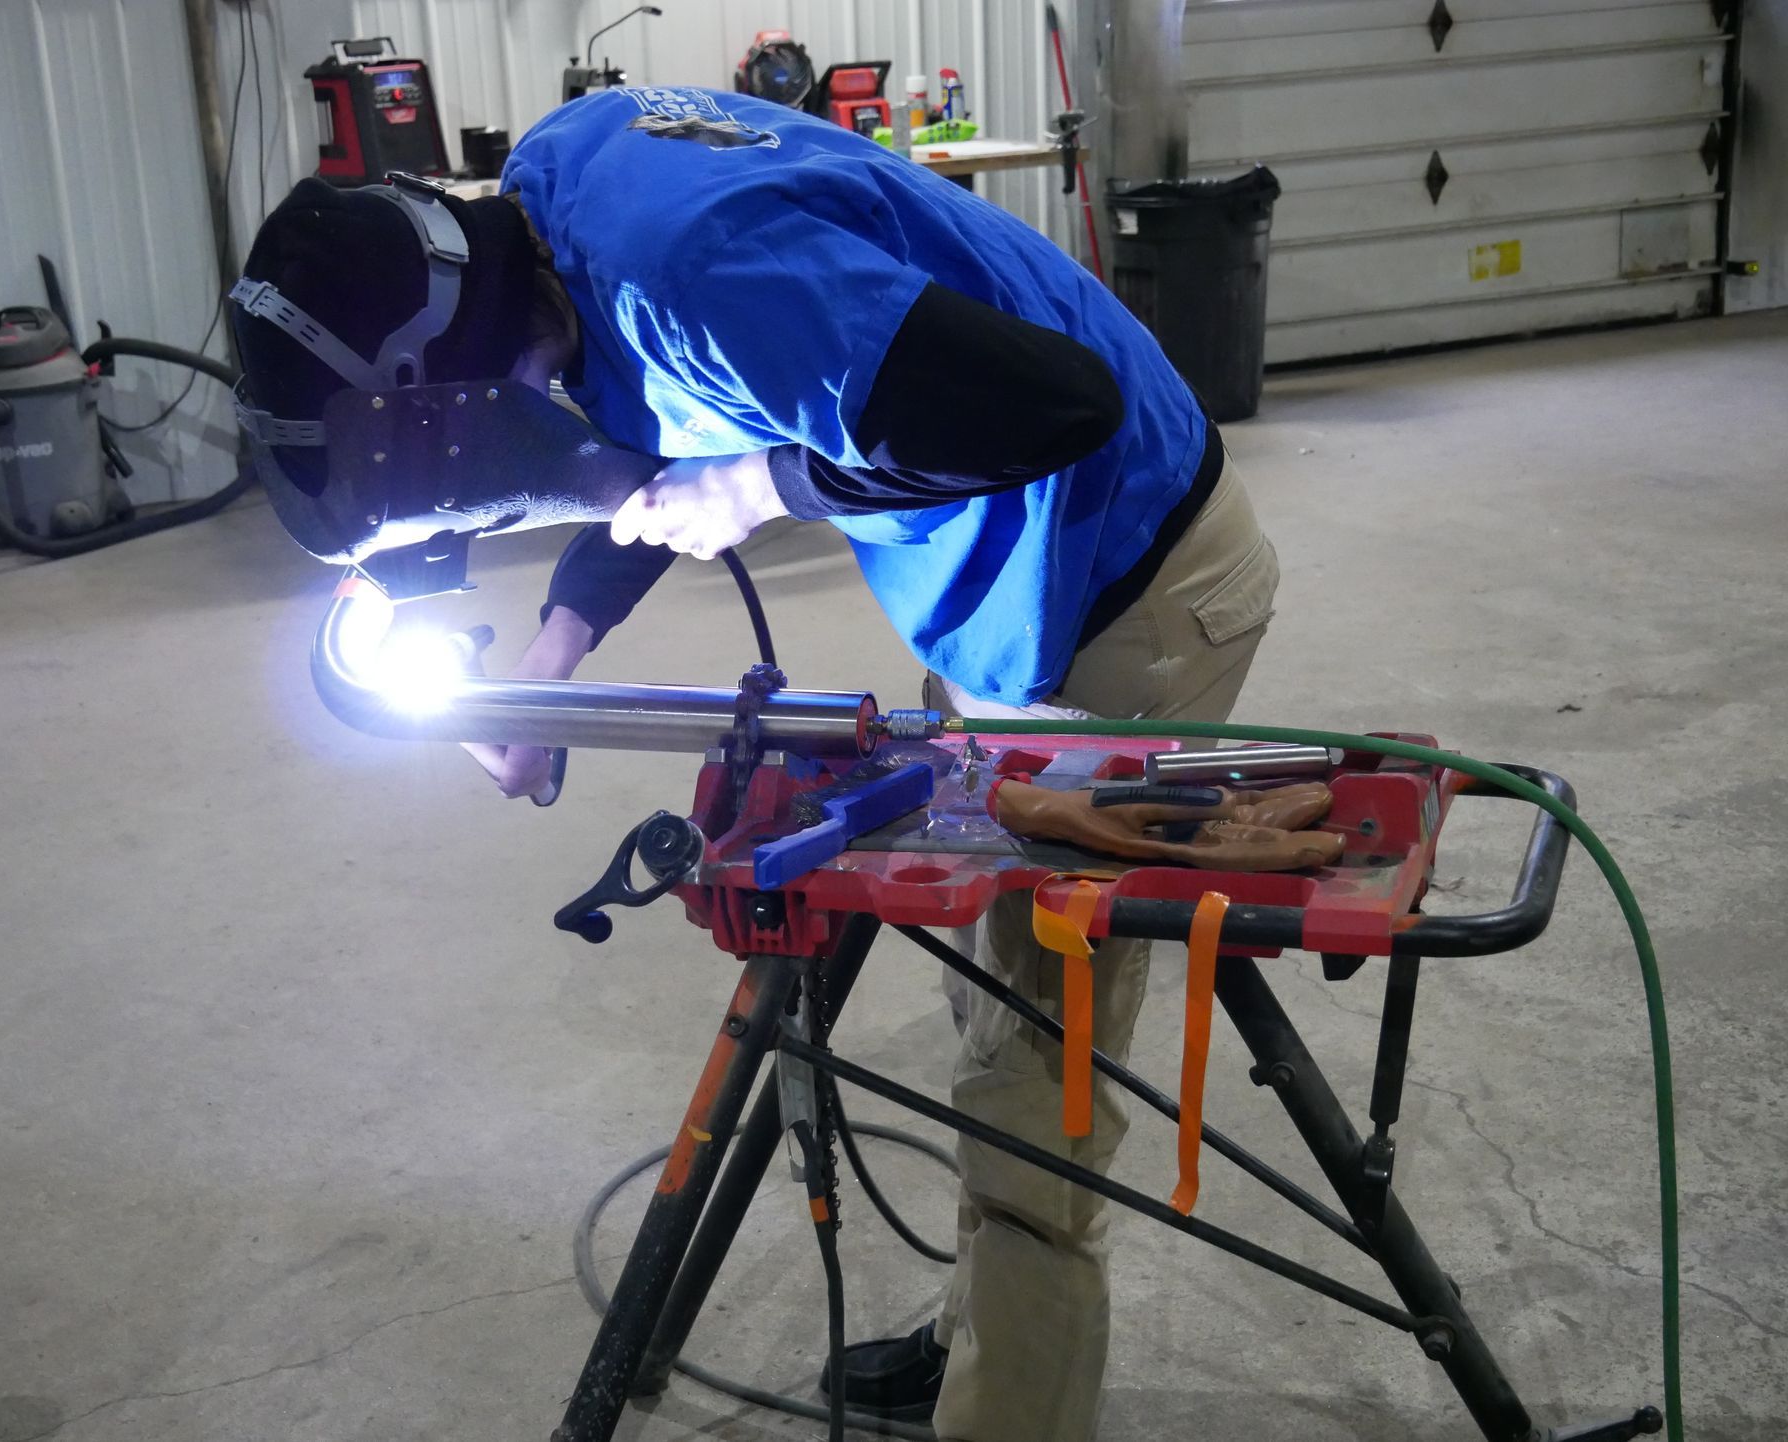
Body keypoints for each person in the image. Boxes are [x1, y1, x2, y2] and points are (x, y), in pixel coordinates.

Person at [234, 84, 1279, 1442]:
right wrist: (554, 648)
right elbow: (656, 423)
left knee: (1031, 1099)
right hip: (1007, 589)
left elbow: (1051, 405)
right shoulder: (560, 185)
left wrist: (767, 486)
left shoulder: (689, 276)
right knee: (994, 1015)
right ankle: (989, 1336)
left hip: (1126, 587)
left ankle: (1012, 1406)